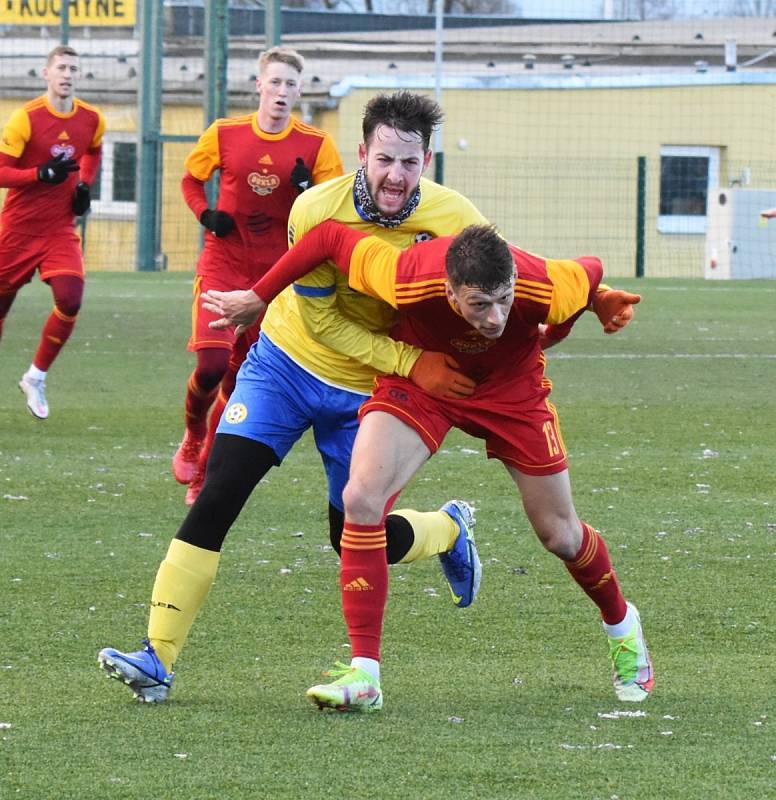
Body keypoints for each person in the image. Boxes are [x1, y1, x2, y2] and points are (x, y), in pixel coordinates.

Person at [97, 91, 487, 703]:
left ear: (427, 160)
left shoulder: (455, 220)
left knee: (354, 538)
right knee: (218, 494)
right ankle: (156, 658)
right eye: (384, 159)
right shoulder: (314, 209)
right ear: (361, 153)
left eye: (409, 163)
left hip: (368, 393)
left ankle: (445, 530)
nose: (395, 176)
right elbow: (325, 323)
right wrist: (414, 360)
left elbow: (495, 294)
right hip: (286, 365)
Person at [203, 218, 650, 712]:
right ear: (450, 292)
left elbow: (588, 273)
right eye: (480, 304)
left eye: (505, 299)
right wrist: (261, 295)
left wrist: (599, 300)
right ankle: (365, 674)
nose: (497, 316)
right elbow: (328, 237)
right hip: (424, 383)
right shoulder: (405, 273)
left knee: (560, 535)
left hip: (511, 392)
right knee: (360, 498)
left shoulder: (541, 281)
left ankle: (623, 627)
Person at [172, 46, 343, 502]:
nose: (282, 91)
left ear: (300, 91)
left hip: (274, 282)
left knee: (236, 382)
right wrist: (205, 214)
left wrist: (310, 189)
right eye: (275, 82)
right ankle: (192, 435)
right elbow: (190, 180)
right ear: (258, 86)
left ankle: (203, 471)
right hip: (223, 263)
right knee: (210, 366)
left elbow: (334, 214)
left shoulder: (316, 145)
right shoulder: (225, 133)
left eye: (291, 84)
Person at [0, 44, 104, 419]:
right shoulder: (25, 118)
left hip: (59, 229)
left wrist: (84, 186)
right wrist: (37, 174)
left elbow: (93, 151)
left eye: (73, 69)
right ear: (46, 73)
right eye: (60, 67)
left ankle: (35, 377)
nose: (67, 74)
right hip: (18, 230)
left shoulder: (91, 118)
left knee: (71, 296)